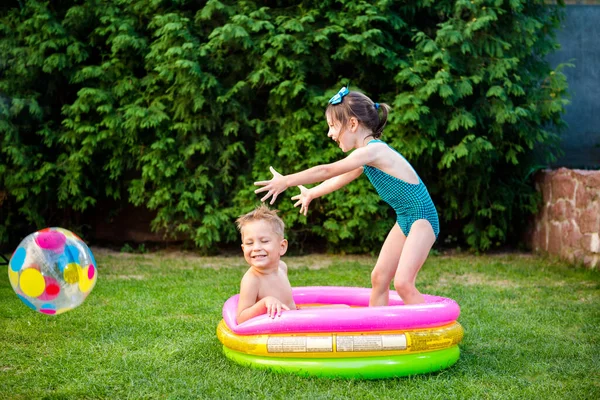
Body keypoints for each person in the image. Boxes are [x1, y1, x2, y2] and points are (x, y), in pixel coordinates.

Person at [254, 86, 440, 307]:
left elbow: (327, 170)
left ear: (352, 124)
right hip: (406, 218)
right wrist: (312, 192)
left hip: (422, 218)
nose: (330, 133)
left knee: (403, 283)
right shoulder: (366, 158)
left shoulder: (374, 151)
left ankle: (429, 331)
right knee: (379, 278)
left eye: (333, 126)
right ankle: (377, 332)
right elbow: (339, 177)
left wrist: (287, 180)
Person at [235, 204, 296, 324]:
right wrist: (264, 303)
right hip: (273, 331)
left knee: (343, 308)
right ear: (243, 249)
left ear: (282, 247)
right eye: (249, 243)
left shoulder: (282, 268)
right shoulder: (252, 279)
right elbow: (241, 319)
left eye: (264, 241)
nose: (256, 248)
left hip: (293, 320)